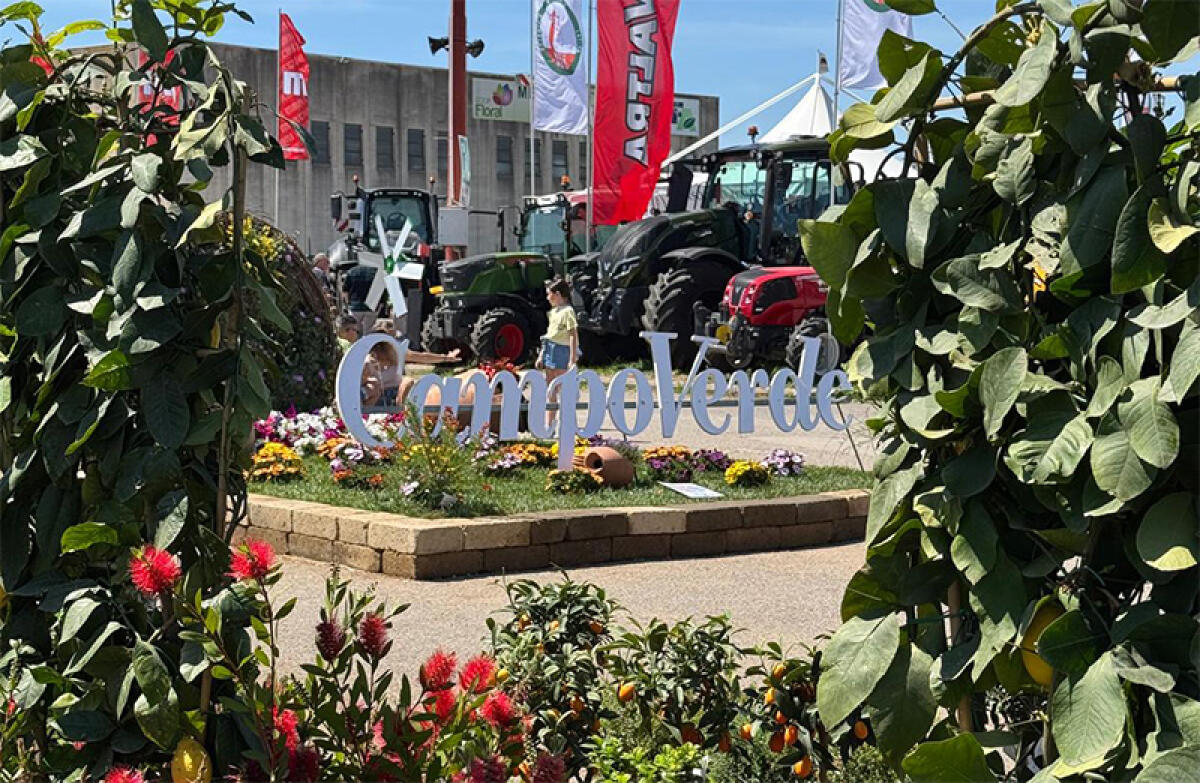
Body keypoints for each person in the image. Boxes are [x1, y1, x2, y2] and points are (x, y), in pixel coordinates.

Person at [537, 279, 578, 421]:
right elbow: (549, 334)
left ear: (558, 294)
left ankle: (567, 419)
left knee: (562, 386)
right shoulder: (553, 312)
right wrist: (542, 355)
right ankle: (550, 421)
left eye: (549, 294)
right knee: (550, 386)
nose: (548, 298)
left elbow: (573, 335)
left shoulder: (568, 311)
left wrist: (572, 358)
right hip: (550, 347)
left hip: (562, 349)